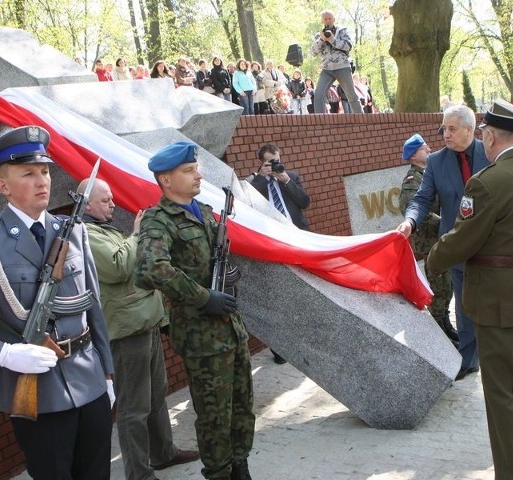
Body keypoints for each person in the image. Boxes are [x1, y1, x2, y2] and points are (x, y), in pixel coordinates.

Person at [0, 126, 115, 479]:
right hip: (38, 392)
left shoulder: (72, 230)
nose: (41, 180)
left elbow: (93, 308)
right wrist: (3, 354)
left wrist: (107, 373)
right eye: (28, 173)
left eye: (44, 171)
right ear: (4, 186)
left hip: (90, 381)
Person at [426, 99, 513, 480]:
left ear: (489, 136)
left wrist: (431, 262)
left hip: (497, 298)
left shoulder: (487, 182)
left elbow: (462, 241)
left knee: (501, 389)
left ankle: (512, 473)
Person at [135, 142, 255, 480]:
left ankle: (241, 465)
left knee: (243, 405)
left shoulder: (202, 209)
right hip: (202, 337)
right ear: (166, 180)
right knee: (215, 415)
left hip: (230, 326)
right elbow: (150, 269)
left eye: (195, 167)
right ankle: (219, 472)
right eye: (188, 170)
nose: (198, 174)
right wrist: (203, 297)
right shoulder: (159, 221)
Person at [80, 178, 199, 480]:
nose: (112, 204)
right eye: (105, 200)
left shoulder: (104, 229)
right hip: (125, 332)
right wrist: (136, 233)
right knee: (134, 407)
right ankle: (139, 473)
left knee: (157, 395)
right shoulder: (86, 234)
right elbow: (119, 266)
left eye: (111, 199)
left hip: (145, 321)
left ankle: (163, 453)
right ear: (86, 204)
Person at [396, 105, 490, 381]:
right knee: (463, 305)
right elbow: (422, 199)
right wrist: (410, 221)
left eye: (451, 129)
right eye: (443, 129)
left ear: (470, 129)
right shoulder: (437, 162)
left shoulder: (491, 153)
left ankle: (503, 352)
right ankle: (469, 359)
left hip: (493, 243)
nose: (444, 134)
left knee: (497, 300)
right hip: (456, 244)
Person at [248, 143, 311, 364]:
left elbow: (304, 202)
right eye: (270, 162)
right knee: (278, 295)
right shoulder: (253, 183)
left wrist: (285, 179)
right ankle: (280, 349)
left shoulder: (290, 176)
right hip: (272, 244)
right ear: (261, 162)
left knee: (303, 291)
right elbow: (250, 205)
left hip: (297, 240)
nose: (275, 165)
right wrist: (263, 179)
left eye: (277, 159)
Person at [398, 134, 457, 346]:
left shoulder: (428, 174)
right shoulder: (412, 180)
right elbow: (412, 209)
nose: (430, 149)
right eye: (424, 148)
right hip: (430, 242)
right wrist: (447, 223)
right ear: (414, 155)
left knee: (446, 287)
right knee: (439, 288)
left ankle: (446, 326)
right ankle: (440, 336)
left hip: (440, 240)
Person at [310, 10, 363, 114]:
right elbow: (313, 52)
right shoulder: (318, 35)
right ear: (322, 21)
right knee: (318, 94)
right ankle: (320, 123)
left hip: (342, 67)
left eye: (330, 18)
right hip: (327, 69)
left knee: (351, 95)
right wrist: (321, 39)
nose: (328, 21)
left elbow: (348, 46)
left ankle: (362, 120)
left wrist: (332, 40)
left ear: (334, 19)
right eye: (325, 19)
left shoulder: (342, 31)